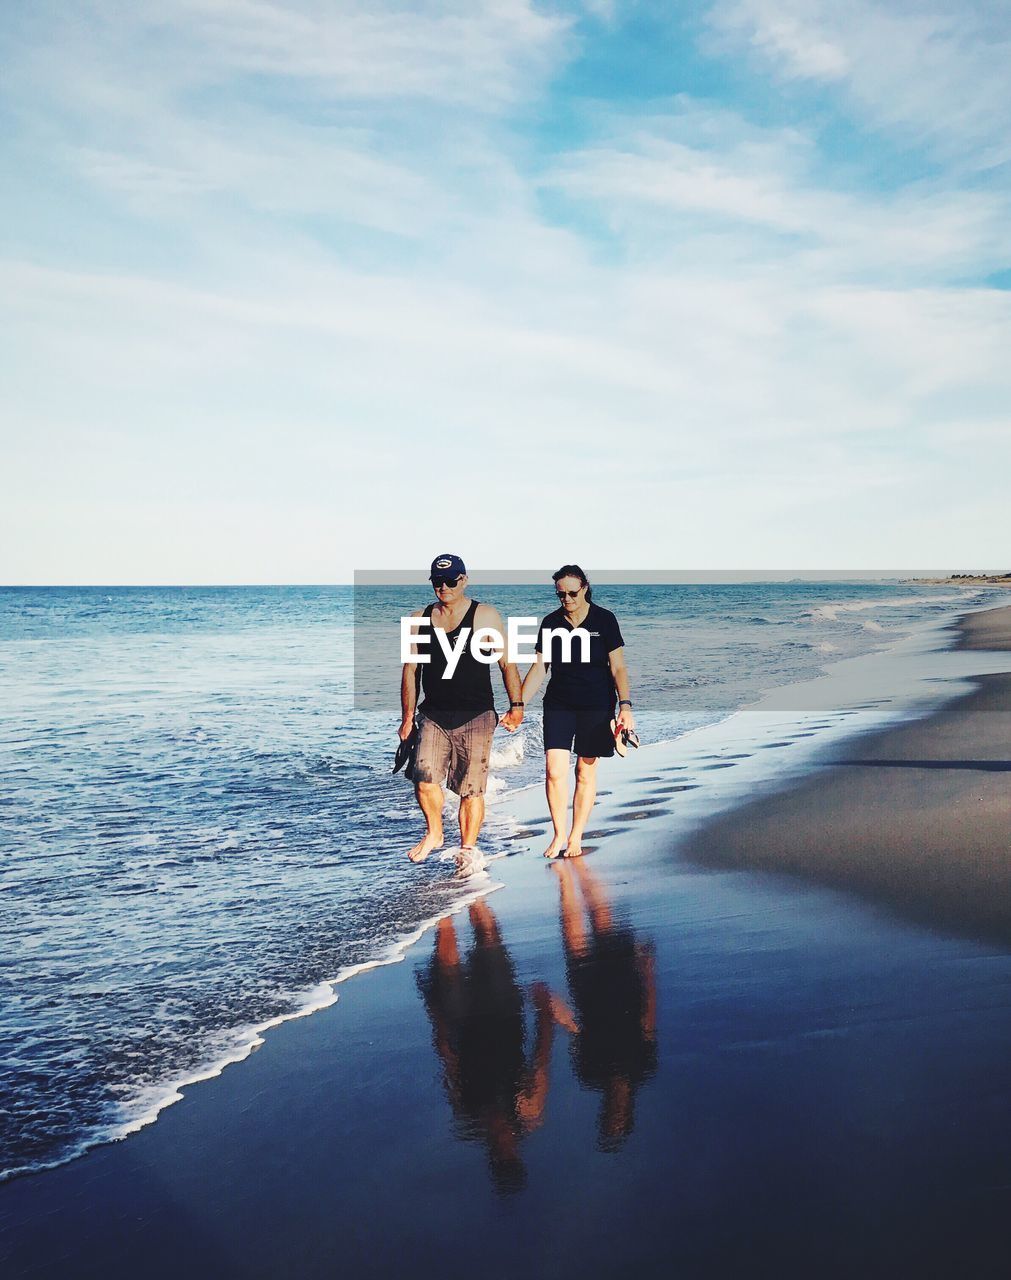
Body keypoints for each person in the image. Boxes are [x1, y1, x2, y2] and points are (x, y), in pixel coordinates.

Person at [400, 554, 524, 864]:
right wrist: (406, 718)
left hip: (477, 713)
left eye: (451, 581)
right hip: (433, 714)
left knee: (471, 789)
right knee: (424, 776)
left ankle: (467, 848)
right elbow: (410, 671)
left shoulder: (485, 616)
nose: (444, 587)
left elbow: (506, 663)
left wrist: (516, 706)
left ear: (464, 580)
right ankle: (435, 833)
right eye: (438, 582)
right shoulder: (418, 619)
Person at [519, 564, 635, 858]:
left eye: (572, 592)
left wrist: (625, 706)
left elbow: (618, 667)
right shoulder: (550, 623)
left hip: (597, 705)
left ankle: (576, 836)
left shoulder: (605, 620)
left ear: (584, 588)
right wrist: (517, 704)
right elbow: (539, 668)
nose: (567, 599)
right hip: (559, 704)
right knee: (554, 771)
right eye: (561, 594)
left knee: (585, 770)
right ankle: (558, 834)